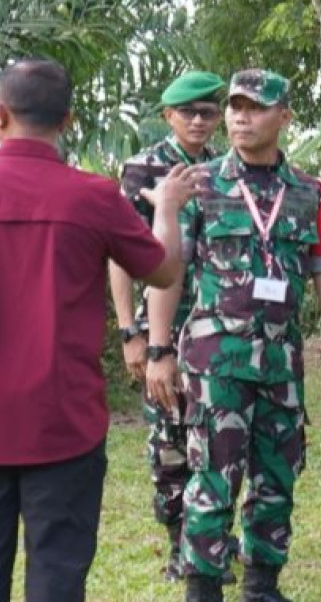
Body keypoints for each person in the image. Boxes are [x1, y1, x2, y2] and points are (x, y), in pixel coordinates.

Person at [0, 58, 200, 602]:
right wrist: (166, 209)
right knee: (58, 578)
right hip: (64, 423)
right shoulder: (92, 197)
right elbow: (162, 270)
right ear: (67, 120)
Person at [147, 69, 321, 602]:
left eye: (255, 107)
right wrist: (158, 350)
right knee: (211, 477)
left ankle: (262, 584)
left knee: (277, 475)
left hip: (282, 362)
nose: (240, 115)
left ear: (284, 116)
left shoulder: (310, 193)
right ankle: (203, 587)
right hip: (216, 364)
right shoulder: (199, 185)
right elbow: (166, 272)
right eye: (234, 106)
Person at [108, 70, 230, 583]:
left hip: (217, 324)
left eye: (208, 112)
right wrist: (129, 332)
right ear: (168, 116)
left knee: (219, 435)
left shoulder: (227, 167)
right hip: (162, 327)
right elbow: (119, 253)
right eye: (189, 113)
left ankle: (212, 539)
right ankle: (180, 544)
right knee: (170, 438)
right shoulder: (145, 169)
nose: (199, 121)